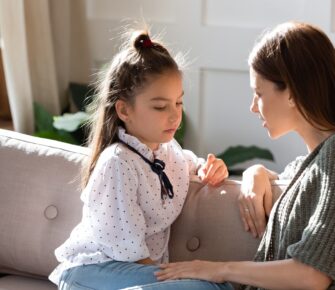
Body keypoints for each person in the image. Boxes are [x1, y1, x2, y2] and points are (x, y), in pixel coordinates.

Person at [154, 21, 335, 290]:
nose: (252, 107)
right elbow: (294, 181)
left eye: (258, 93)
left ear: (292, 94)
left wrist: (217, 270)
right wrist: (256, 172)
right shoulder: (312, 163)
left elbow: (312, 275)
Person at [49, 30, 232, 290]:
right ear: (124, 110)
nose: (174, 116)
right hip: (92, 273)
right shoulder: (118, 162)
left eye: (178, 103)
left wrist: (211, 167)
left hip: (133, 273)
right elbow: (130, 251)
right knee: (209, 288)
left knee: (216, 286)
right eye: (160, 106)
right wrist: (171, 280)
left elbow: (190, 164)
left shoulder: (168, 151)